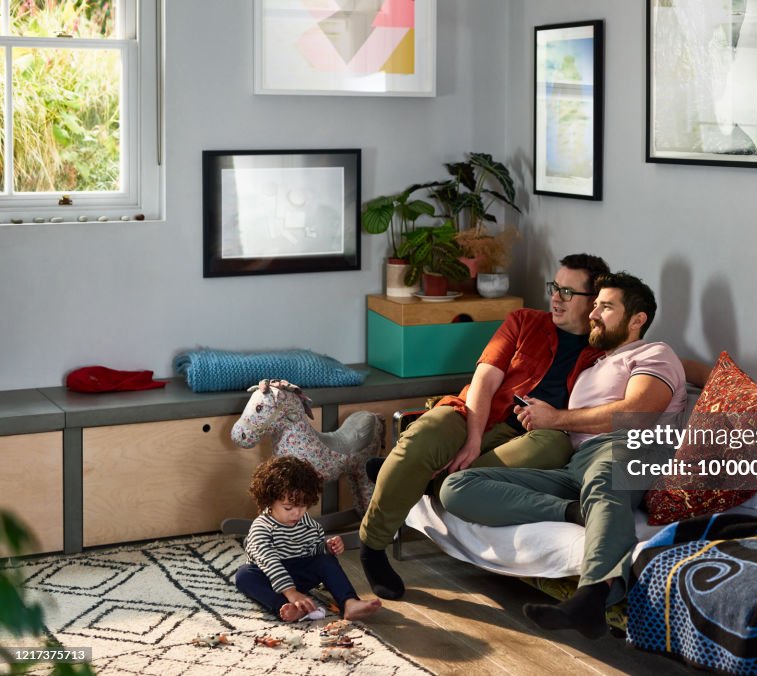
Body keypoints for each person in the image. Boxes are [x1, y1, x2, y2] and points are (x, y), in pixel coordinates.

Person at [439, 272, 687, 639]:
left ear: (637, 320)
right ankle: (576, 511)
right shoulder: (593, 363)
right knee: (456, 487)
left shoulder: (654, 353)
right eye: (595, 305)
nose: (594, 313)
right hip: (577, 465)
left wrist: (556, 418)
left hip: (635, 450)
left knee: (605, 478)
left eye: (606, 307)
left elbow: (639, 413)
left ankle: (592, 598)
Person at [359, 253, 611, 600]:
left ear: (593, 302)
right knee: (425, 435)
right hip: (477, 413)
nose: (555, 297)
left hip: (538, 434)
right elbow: (484, 380)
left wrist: (707, 370)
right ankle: (372, 547)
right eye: (555, 287)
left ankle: (417, 476)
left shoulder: (604, 352)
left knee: (553, 445)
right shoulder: (524, 321)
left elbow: (656, 359)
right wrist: (473, 439)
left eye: (568, 292)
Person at [235, 455, 381, 622]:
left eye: (303, 506)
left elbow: (312, 550)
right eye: (288, 508)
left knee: (325, 560)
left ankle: (349, 602)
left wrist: (327, 547)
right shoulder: (262, 527)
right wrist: (291, 592)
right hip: (269, 576)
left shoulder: (308, 524)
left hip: (299, 574)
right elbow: (269, 561)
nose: (297, 513)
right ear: (269, 501)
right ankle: (285, 606)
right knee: (244, 576)